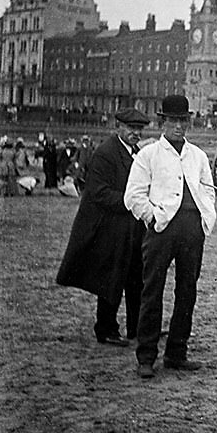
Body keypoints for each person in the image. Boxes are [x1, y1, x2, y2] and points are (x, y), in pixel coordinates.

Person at [124, 95, 216, 379]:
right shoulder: (148, 155)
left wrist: (205, 217)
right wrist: (152, 216)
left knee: (187, 292)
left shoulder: (198, 155)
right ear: (163, 122)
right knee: (151, 291)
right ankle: (146, 357)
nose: (179, 127)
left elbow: (208, 189)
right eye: (173, 121)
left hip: (191, 230)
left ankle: (177, 353)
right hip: (162, 229)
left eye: (183, 121)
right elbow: (133, 196)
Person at [55, 108, 151, 346]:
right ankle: (105, 328)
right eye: (131, 128)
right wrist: (132, 201)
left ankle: (136, 327)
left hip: (130, 226)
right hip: (108, 227)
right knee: (111, 277)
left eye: (139, 129)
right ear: (118, 126)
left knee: (136, 277)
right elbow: (98, 193)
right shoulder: (105, 153)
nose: (135, 133)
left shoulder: (134, 153)